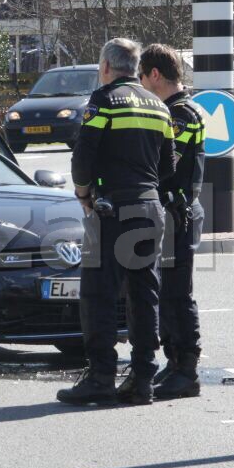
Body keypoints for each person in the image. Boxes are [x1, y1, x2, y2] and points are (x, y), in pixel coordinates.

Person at [58, 38, 176, 407]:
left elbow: (83, 157)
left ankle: (100, 377)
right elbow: (169, 166)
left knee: (98, 294)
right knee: (144, 296)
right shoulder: (159, 105)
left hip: (111, 209)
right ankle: (143, 381)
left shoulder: (104, 100)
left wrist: (82, 194)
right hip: (150, 207)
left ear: (106, 67)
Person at [139, 44, 206, 399]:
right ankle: (175, 362)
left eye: (141, 77)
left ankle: (187, 370)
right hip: (172, 212)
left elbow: (166, 165)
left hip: (178, 214)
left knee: (178, 294)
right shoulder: (174, 110)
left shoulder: (180, 115)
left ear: (154, 75)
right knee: (167, 292)